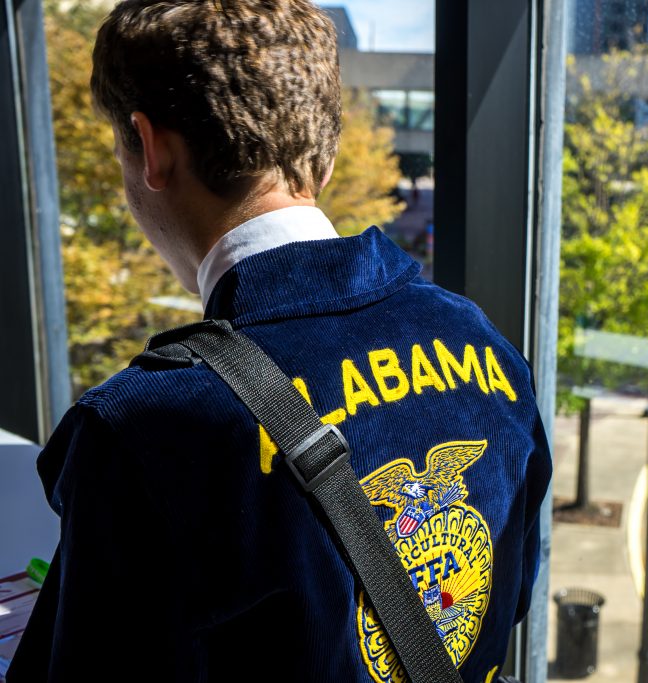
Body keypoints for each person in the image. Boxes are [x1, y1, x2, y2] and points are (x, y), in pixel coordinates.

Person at [7, 0, 551, 681]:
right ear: (321, 157)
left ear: (149, 148)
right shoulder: (487, 346)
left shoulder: (143, 430)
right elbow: (507, 599)